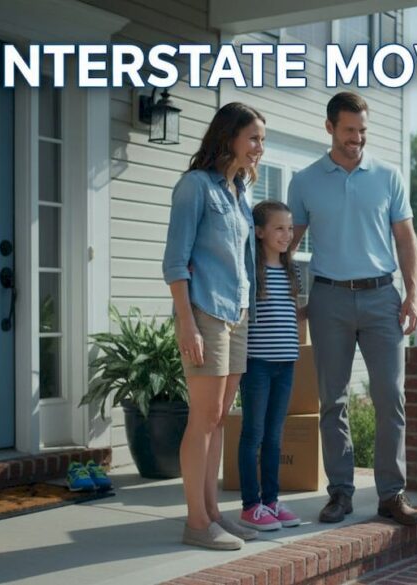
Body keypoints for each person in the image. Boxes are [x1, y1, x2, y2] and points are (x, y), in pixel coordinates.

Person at [288, 91, 417, 526]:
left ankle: (391, 494)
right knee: (333, 400)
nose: (357, 139)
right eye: (349, 130)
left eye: (362, 131)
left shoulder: (387, 175)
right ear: (330, 128)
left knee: (391, 397)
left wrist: (413, 294)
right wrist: (290, 299)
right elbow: (285, 245)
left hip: (383, 296)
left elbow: (405, 239)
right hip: (328, 298)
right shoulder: (305, 180)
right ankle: (341, 493)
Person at [162, 102, 267, 550]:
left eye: (262, 140)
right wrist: (187, 325)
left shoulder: (238, 192)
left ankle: (212, 514)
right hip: (205, 312)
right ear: (229, 138)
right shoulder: (195, 188)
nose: (260, 147)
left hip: (238, 312)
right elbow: (175, 262)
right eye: (255, 138)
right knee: (202, 419)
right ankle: (195, 522)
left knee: (220, 418)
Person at [237, 200, 305, 532]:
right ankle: (251, 506)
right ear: (260, 232)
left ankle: (272, 501)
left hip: (286, 364)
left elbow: (295, 315)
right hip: (257, 364)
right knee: (254, 434)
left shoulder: (294, 271)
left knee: (275, 436)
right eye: (279, 228)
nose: (287, 234)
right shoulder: (250, 271)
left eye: (290, 228)